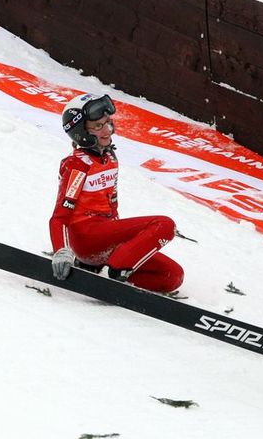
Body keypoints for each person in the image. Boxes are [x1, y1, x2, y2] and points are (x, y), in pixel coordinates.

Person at [49, 93, 184, 294]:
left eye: (108, 123)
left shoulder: (110, 157)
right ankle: (118, 268)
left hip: (105, 237)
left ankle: (113, 268)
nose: (107, 130)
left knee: (172, 276)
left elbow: (112, 205)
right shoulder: (78, 165)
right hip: (87, 237)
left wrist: (122, 240)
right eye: (97, 126)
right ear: (80, 132)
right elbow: (60, 217)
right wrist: (62, 251)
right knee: (165, 225)